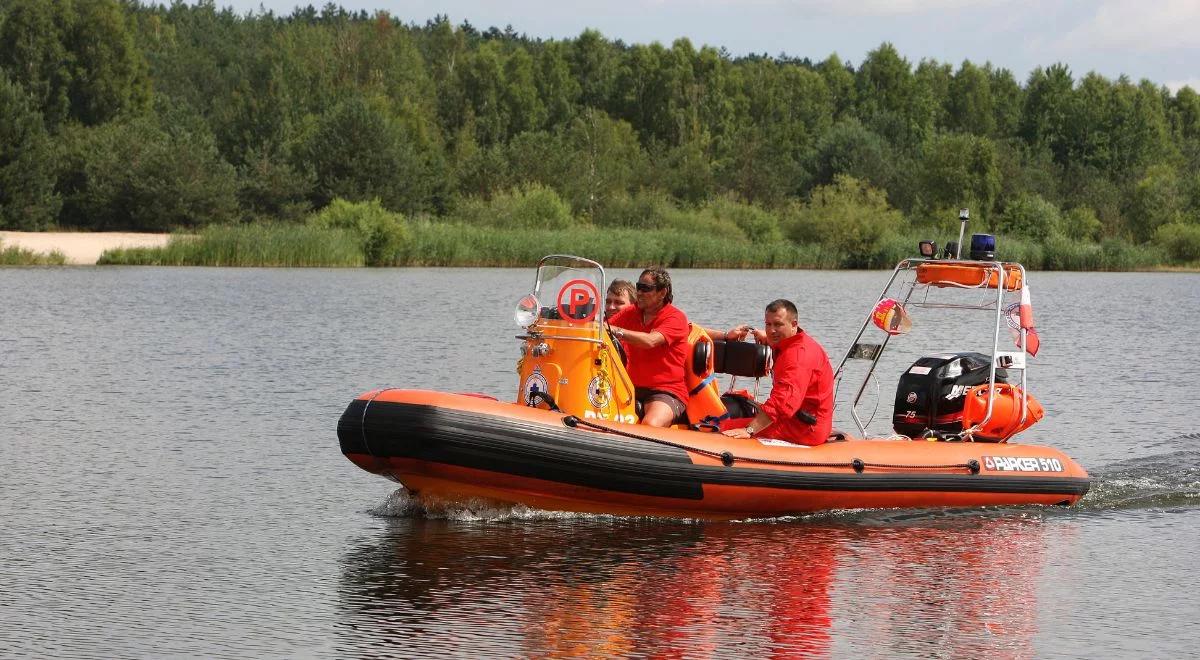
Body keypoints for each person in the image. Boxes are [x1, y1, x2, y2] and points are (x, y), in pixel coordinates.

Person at [721, 299, 834, 446]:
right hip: (798, 420)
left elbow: (782, 403)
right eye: (768, 324)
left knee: (723, 427)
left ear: (794, 325)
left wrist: (749, 430)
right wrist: (768, 338)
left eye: (778, 324)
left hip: (803, 429)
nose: (771, 330)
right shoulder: (795, 343)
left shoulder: (798, 357)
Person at [607, 267, 691, 427]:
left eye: (646, 288)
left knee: (650, 424)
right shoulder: (632, 312)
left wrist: (617, 331)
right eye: (639, 287)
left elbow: (650, 341)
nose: (639, 292)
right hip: (630, 387)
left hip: (666, 390)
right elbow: (603, 328)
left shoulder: (675, 317)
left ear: (662, 292)